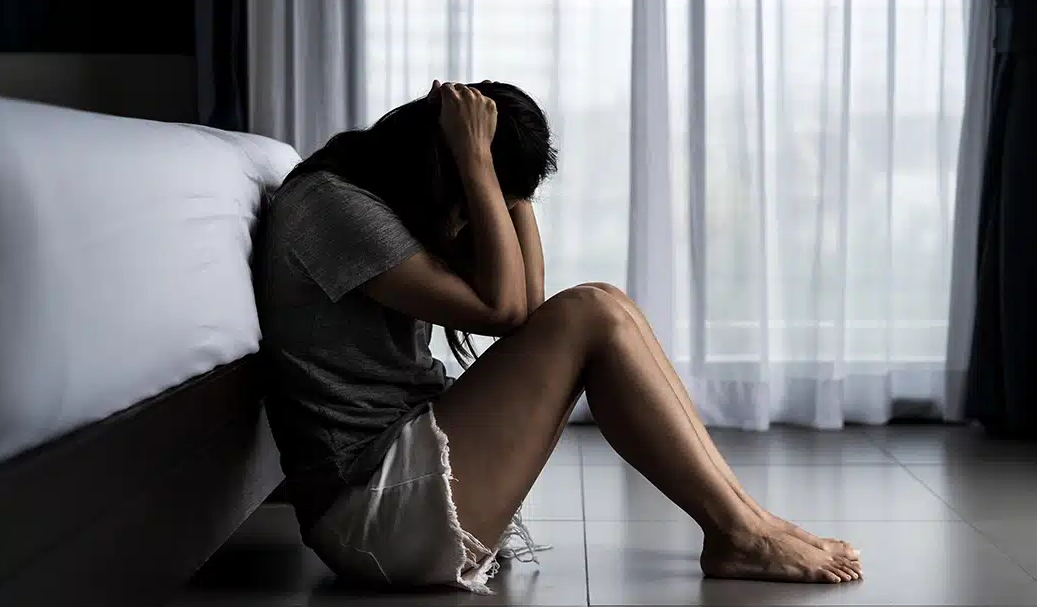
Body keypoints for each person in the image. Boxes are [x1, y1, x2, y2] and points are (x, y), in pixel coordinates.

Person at [255, 80, 864, 595]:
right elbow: (505, 309)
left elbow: (528, 311)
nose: (471, 212)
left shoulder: (373, 199)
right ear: (446, 163)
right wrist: (477, 164)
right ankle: (742, 533)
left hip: (395, 481)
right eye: (478, 191)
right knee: (594, 310)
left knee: (603, 306)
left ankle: (749, 522)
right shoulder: (333, 207)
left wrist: (501, 181)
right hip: (367, 513)